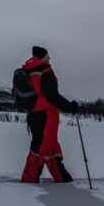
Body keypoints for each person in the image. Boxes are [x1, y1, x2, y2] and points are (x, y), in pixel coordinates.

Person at [20, 46, 79, 183]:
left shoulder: (28, 71)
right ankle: (28, 181)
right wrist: (70, 107)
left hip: (33, 114)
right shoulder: (45, 71)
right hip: (46, 114)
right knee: (42, 147)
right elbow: (52, 96)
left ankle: (62, 179)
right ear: (42, 57)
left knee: (49, 145)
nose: (49, 59)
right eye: (47, 56)